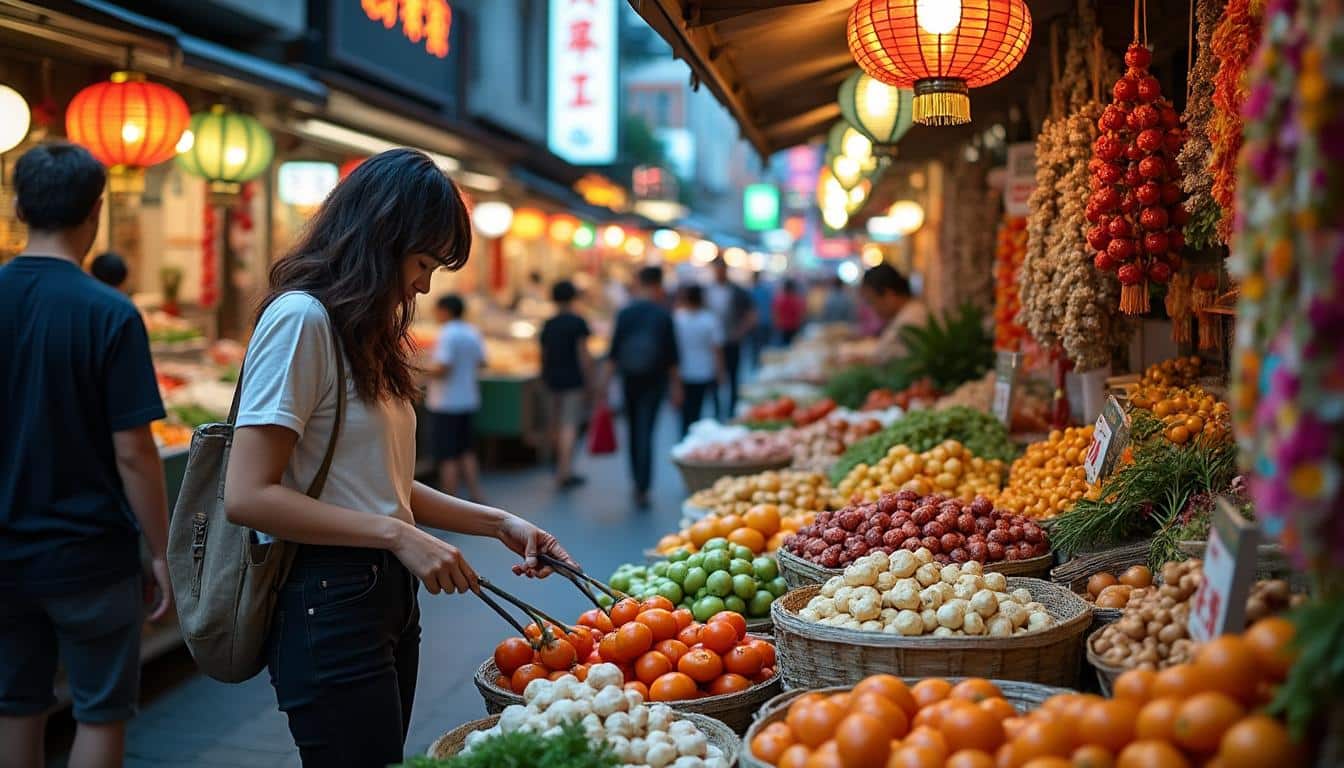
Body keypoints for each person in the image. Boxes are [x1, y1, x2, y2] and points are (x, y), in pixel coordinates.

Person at [221, 149, 577, 767]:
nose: (424, 284)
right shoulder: (301, 320)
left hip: (381, 594)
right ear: (378, 239)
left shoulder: (363, 331)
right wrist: (397, 535)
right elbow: (249, 494)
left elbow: (381, 484)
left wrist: (500, 524)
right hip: (325, 594)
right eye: (421, 263)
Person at [0, 143, 172, 768]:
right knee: (100, 711)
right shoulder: (110, 313)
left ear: (19, 205)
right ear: (96, 212)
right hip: (89, 556)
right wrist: (161, 551)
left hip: (5, 551)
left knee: (15, 704)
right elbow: (134, 453)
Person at [605, 265, 681, 508]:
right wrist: (677, 387)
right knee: (646, 430)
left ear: (639, 282)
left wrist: (603, 385)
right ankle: (643, 485)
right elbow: (672, 357)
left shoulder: (625, 313)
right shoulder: (664, 315)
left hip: (630, 378)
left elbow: (613, 353)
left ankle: (636, 481)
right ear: (659, 285)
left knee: (633, 430)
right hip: (655, 380)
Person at [425, 294, 486, 502]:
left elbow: (443, 367)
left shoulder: (447, 334)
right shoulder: (472, 331)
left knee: (447, 454)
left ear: (445, 310)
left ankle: (449, 502)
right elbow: (482, 362)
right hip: (468, 399)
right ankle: (476, 495)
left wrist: (417, 370)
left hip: (446, 402)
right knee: (466, 450)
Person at [539, 280, 594, 489]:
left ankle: (558, 466)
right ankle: (564, 471)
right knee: (569, 424)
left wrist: (544, 376)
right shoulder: (578, 322)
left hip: (551, 377)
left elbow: (543, 355)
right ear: (573, 297)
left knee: (554, 424)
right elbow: (583, 355)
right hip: (573, 378)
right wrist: (590, 382)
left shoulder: (548, 324)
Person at [704, 259, 756, 419]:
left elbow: (751, 315)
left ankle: (731, 411)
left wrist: (740, 332)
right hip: (712, 344)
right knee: (714, 377)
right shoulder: (707, 291)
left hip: (731, 341)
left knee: (733, 377)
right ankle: (717, 412)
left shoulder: (737, 291)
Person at [672, 283, 723, 437]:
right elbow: (716, 349)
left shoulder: (677, 319)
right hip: (704, 371)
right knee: (699, 410)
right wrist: (720, 371)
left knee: (685, 413)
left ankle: (686, 439)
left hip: (684, 372)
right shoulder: (709, 320)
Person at [860, 263, 930, 363]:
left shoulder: (912, 319)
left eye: (872, 301)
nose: (873, 309)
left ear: (889, 295)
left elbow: (889, 360)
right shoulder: (906, 313)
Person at [771, 278, 808, 347]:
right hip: (794, 327)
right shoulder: (797, 300)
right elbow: (801, 314)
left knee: (783, 346)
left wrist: (776, 323)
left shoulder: (779, 299)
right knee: (793, 346)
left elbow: (775, 313)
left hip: (782, 327)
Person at [748, 271, 774, 366]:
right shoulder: (765, 290)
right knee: (762, 346)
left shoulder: (752, 291)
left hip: (758, 323)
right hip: (764, 322)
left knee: (757, 347)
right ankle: (761, 364)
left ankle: (759, 364)